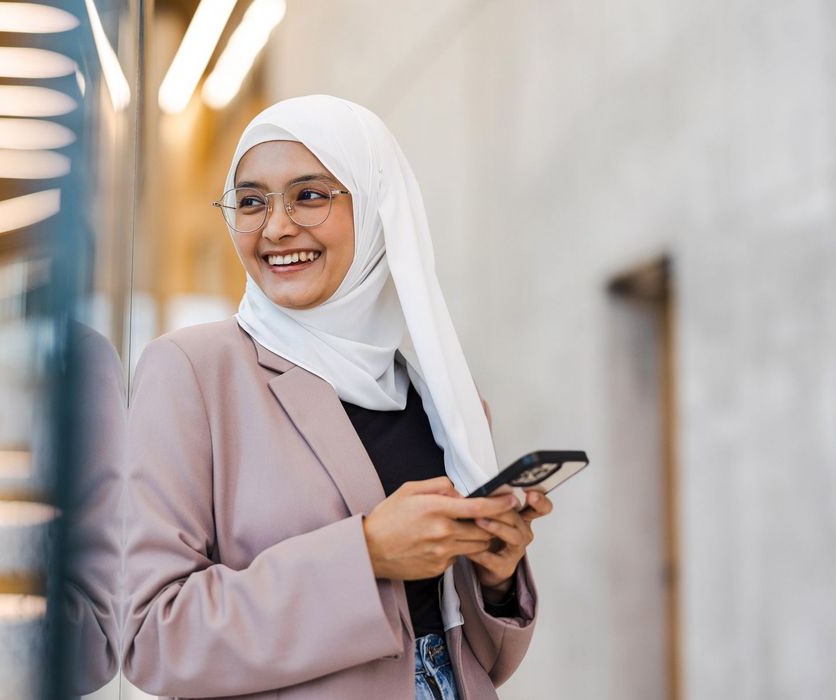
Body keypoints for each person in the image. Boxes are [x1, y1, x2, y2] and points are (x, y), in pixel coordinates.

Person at [122, 94, 553, 699]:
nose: (275, 227)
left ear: (377, 207)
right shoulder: (194, 371)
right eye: (251, 201)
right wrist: (368, 552)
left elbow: (483, 658)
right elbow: (151, 636)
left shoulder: (445, 398)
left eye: (309, 195)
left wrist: (498, 577)